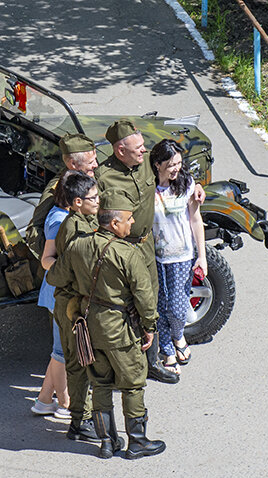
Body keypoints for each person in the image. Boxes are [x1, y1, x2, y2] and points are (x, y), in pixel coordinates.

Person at [46, 188, 166, 459]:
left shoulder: (78, 247)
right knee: (133, 382)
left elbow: (54, 276)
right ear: (114, 223)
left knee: (99, 383)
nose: (132, 222)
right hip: (120, 329)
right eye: (129, 218)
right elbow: (145, 297)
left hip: (89, 327)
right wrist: (150, 327)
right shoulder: (127, 253)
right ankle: (137, 441)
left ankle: (107, 443)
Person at [95, 119, 203, 384]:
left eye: (144, 147)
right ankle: (118, 367)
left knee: (152, 304)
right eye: (138, 148)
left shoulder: (146, 162)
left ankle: (155, 358)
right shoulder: (103, 176)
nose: (144, 151)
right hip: (119, 248)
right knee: (120, 306)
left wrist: (197, 186)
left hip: (148, 247)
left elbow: (176, 171)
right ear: (120, 150)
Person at [30, 170, 96, 420]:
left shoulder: (69, 215)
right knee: (60, 353)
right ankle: (66, 404)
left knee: (59, 351)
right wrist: (68, 272)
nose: (97, 200)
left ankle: (45, 400)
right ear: (75, 199)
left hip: (59, 292)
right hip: (58, 294)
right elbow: (47, 259)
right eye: (93, 197)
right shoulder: (59, 221)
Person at [149, 139, 207, 375]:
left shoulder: (187, 185)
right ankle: (167, 349)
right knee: (161, 305)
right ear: (157, 165)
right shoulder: (147, 187)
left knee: (177, 307)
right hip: (156, 256)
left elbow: (196, 220)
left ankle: (178, 336)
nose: (176, 169)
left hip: (182, 256)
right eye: (171, 164)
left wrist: (201, 256)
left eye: (179, 164)